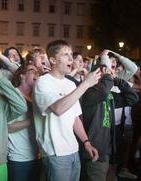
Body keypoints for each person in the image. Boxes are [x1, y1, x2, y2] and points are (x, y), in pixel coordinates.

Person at [33, 40, 100, 181]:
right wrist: (86, 84)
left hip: (74, 149)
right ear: (52, 60)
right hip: (55, 152)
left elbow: (75, 117)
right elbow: (58, 109)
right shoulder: (43, 82)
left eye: (71, 54)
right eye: (65, 54)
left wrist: (86, 142)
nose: (71, 58)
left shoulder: (70, 84)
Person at [80, 50, 139, 181]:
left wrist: (117, 80)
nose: (108, 75)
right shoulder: (88, 93)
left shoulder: (110, 95)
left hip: (106, 148)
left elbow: (132, 99)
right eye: (104, 73)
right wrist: (108, 76)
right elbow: (103, 93)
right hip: (94, 148)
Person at [8, 64, 40, 181]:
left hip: (37, 155)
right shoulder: (13, 95)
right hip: (18, 158)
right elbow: (7, 127)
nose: (37, 74)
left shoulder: (37, 97)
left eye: (38, 72)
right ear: (22, 76)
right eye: (32, 71)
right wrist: (32, 120)